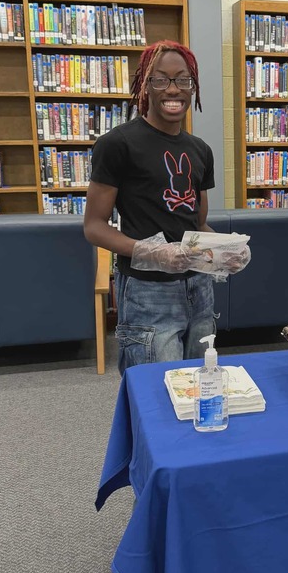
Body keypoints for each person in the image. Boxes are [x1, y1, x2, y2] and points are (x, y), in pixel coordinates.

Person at [84, 39, 250, 372]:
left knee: (200, 385)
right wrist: (151, 252)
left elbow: (197, 225)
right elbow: (94, 227)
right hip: (148, 294)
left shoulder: (200, 150)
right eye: (161, 79)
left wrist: (225, 252)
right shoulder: (117, 144)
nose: (173, 89)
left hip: (199, 289)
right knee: (157, 391)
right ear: (145, 85)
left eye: (182, 80)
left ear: (193, 86)